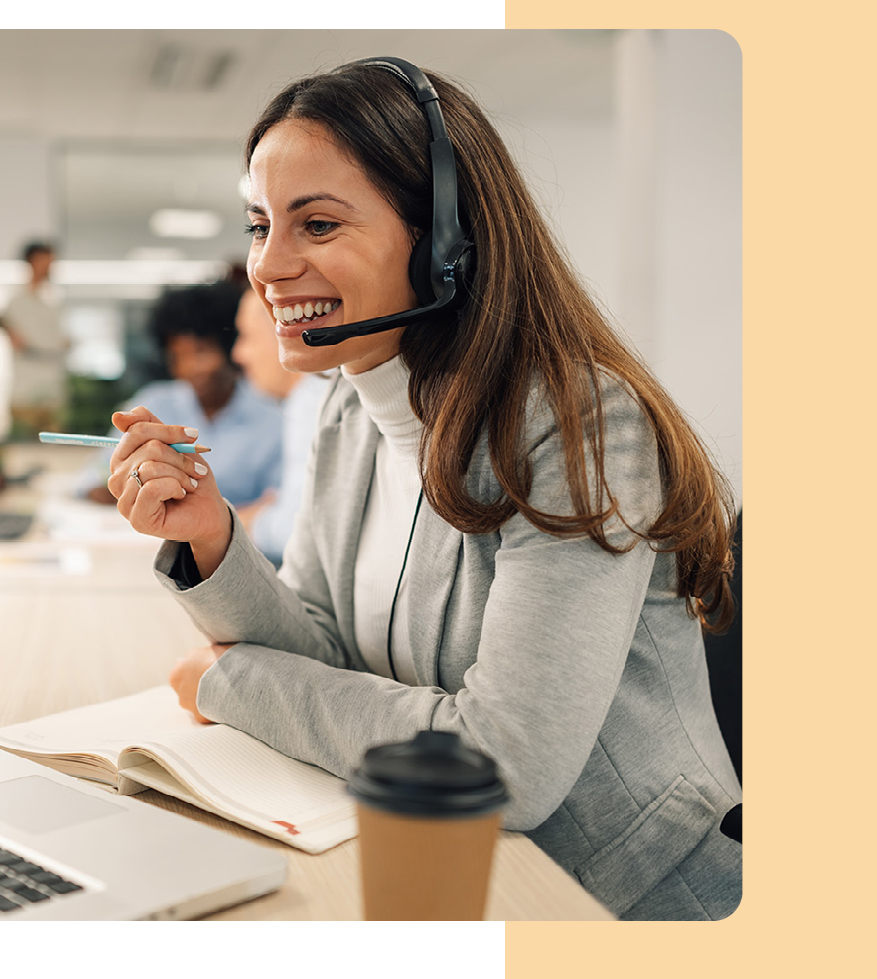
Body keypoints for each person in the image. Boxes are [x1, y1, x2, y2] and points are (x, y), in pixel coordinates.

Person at [104, 59, 742, 922]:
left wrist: (232, 683)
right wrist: (212, 540)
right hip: (449, 870)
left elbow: (500, 767)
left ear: (445, 239)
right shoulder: (347, 411)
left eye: (317, 225)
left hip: (620, 902)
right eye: (260, 225)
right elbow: (324, 647)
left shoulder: (581, 425)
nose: (268, 267)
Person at [79, 279, 282, 509]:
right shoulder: (152, 405)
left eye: (200, 353)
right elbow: (93, 480)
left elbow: (278, 505)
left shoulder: (271, 419)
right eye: (176, 356)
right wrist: (125, 482)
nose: (187, 368)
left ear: (230, 348)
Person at [229, 288, 329, 566]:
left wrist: (242, 523)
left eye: (246, 336)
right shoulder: (309, 397)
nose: (239, 354)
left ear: (285, 332)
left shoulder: (315, 400)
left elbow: (299, 533)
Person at [0, 241, 69, 437]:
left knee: (54, 444)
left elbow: (62, 340)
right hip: (25, 391)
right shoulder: (17, 300)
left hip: (52, 389)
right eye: (46, 260)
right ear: (32, 261)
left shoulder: (54, 300)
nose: (50, 265)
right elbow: (14, 338)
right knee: (24, 443)